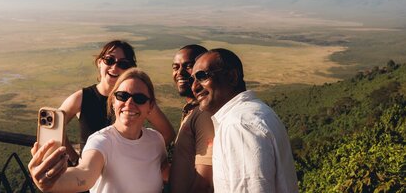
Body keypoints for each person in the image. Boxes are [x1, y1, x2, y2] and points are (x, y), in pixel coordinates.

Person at [28, 68, 168, 193]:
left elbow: (164, 171)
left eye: (139, 98)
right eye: (122, 96)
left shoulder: (156, 140)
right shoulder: (101, 141)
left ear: (150, 106)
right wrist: (53, 182)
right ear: (113, 102)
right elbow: (84, 173)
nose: (129, 103)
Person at [190, 48, 298, 193]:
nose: (194, 87)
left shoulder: (239, 125)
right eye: (193, 79)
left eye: (202, 76)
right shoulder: (255, 112)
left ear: (232, 77)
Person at [58, 40, 175, 164]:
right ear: (99, 63)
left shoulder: (138, 101)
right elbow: (55, 126)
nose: (114, 67)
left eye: (123, 64)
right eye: (109, 60)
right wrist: (74, 159)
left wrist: (143, 158)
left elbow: (167, 133)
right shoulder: (82, 98)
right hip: (90, 173)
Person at [169, 45, 214, 193]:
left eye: (188, 66)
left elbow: (205, 180)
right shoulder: (192, 110)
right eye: (176, 67)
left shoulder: (204, 114)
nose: (180, 73)